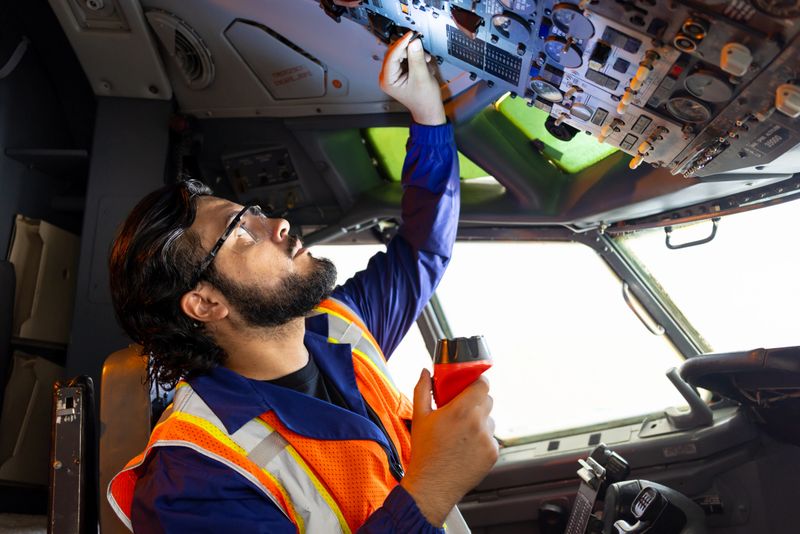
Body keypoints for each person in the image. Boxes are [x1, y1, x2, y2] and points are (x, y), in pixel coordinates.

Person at [107, 31, 498, 533]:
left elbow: (424, 248)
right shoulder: (193, 478)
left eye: (257, 212)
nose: (279, 224)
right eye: (241, 233)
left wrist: (427, 116)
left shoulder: (342, 326)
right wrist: (434, 484)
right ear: (203, 303)